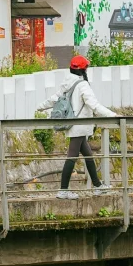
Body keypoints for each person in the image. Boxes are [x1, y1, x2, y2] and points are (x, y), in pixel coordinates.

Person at [44, 54, 117, 197]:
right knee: (72, 156)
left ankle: (97, 185)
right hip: (80, 126)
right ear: (83, 70)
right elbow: (94, 105)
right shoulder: (82, 85)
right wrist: (113, 115)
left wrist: (40, 107)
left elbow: (54, 99)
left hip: (75, 125)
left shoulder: (67, 83)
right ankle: (63, 190)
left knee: (88, 155)